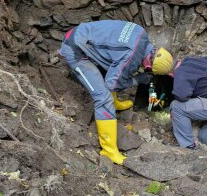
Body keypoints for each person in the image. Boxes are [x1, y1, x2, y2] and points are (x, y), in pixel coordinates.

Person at [59, 20, 174, 165]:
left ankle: (115, 104)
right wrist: (138, 79)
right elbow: (112, 84)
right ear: (150, 66)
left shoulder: (142, 34)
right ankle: (109, 150)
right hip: (75, 49)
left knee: (114, 66)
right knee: (103, 97)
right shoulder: (131, 57)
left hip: (84, 33)